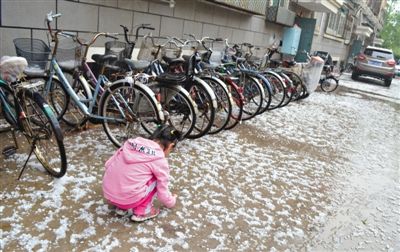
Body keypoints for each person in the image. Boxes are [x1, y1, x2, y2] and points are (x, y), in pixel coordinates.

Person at [102, 125, 182, 222]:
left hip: (109, 195)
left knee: (129, 174)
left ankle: (121, 208)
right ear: (170, 146)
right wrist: (171, 201)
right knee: (157, 178)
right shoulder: (159, 159)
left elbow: (107, 164)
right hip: (128, 199)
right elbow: (162, 192)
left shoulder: (129, 145)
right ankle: (143, 211)